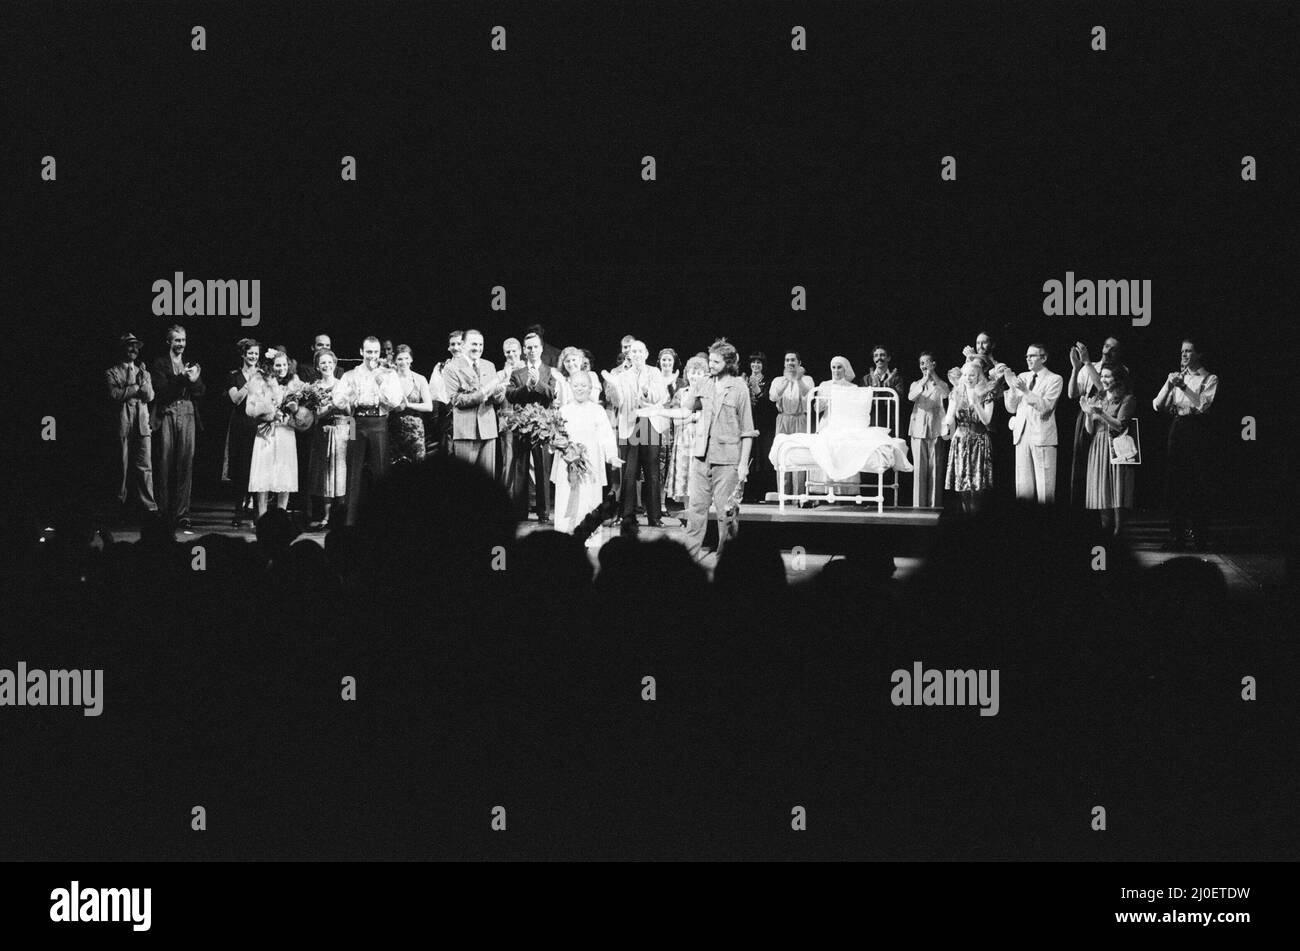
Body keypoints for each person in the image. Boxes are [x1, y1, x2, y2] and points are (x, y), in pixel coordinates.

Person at [680, 339, 756, 562]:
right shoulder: (705, 383)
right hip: (702, 456)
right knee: (695, 511)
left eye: (715, 361)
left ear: (728, 362)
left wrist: (743, 465)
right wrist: (695, 385)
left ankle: (728, 561)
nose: (710, 365)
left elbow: (747, 430)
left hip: (728, 459)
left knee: (726, 514)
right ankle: (689, 559)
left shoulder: (739, 387)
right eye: (709, 360)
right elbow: (686, 407)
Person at [1152, 338, 1219, 551]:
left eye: (1189, 351)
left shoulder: (1209, 378)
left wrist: (1184, 387)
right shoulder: (1177, 377)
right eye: (1182, 351)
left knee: (1198, 484)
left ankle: (1200, 537)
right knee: (1175, 484)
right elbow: (1156, 405)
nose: (1184, 355)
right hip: (1178, 427)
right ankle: (1177, 537)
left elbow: (1203, 406)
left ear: (1199, 354)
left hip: (1198, 430)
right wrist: (1169, 384)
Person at [336, 336, 406, 525]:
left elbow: (396, 401)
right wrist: (349, 398)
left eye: (375, 352)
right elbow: (338, 399)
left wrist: (381, 381)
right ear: (361, 352)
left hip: (379, 421)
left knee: (381, 469)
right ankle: (349, 521)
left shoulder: (388, 374)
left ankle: (383, 520)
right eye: (368, 352)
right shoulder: (351, 374)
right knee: (351, 468)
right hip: (353, 421)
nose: (372, 356)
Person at [603, 339, 669, 529]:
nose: (637, 354)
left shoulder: (654, 373)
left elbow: (661, 397)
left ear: (646, 354)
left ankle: (655, 517)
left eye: (641, 351)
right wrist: (615, 386)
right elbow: (617, 402)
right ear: (629, 355)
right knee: (629, 473)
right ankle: (626, 515)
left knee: (652, 473)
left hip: (649, 424)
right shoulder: (622, 375)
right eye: (634, 351)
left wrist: (647, 392)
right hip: (630, 425)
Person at [552, 371, 621, 540]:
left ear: (590, 388)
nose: (579, 389)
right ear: (570, 387)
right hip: (567, 464)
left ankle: (589, 535)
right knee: (565, 495)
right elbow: (554, 437)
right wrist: (558, 445)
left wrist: (612, 456)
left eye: (583, 385)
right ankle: (564, 533)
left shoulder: (597, 410)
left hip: (591, 464)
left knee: (589, 498)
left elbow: (607, 435)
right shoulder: (563, 410)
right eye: (576, 385)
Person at [149, 324, 205, 529]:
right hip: (168, 412)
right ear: (169, 342)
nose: (181, 344)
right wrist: (184, 379)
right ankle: (163, 511)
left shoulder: (191, 363)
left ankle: (182, 512)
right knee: (163, 463)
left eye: (183, 340)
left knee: (185, 465)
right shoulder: (160, 363)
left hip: (188, 412)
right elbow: (161, 391)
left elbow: (200, 392)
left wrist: (195, 380)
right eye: (177, 340)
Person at [643, 354, 709, 521]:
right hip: (685, 441)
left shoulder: (710, 394)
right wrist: (693, 416)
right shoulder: (682, 393)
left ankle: (705, 518)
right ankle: (690, 517)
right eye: (692, 372)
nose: (695, 376)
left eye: (699, 372)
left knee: (702, 480)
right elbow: (676, 419)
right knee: (686, 482)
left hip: (703, 440)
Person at [246, 348, 311, 519]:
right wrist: (270, 411)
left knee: (285, 474)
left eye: (283, 365)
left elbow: (304, 413)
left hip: (286, 432)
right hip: (267, 432)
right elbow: (251, 408)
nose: (281, 368)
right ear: (271, 366)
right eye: (277, 365)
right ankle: (261, 516)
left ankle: (281, 516)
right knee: (263, 474)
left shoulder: (295, 384)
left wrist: (295, 410)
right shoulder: (260, 381)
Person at [1001, 342, 1063, 505]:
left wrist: (1026, 391)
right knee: (1023, 486)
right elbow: (1011, 408)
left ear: (1043, 358)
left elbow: (1046, 407)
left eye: (1032, 355)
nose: (1028, 358)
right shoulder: (1023, 376)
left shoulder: (1054, 379)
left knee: (1045, 486)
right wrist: (1012, 387)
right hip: (1022, 435)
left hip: (1042, 435)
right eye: (1027, 356)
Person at [507, 332, 559, 522]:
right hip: (521, 427)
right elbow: (510, 396)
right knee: (520, 468)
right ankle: (520, 511)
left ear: (541, 348)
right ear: (524, 350)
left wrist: (537, 383)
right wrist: (526, 386)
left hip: (542, 427)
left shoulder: (549, 371)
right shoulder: (517, 373)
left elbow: (552, 394)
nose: (532, 351)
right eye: (528, 347)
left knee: (542, 469)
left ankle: (543, 512)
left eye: (535, 347)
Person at [443, 329, 508, 476]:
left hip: (488, 430)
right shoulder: (451, 368)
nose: (477, 348)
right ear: (463, 345)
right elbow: (456, 400)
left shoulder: (489, 365)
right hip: (465, 431)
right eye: (473, 344)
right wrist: (484, 392)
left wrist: (498, 393)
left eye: (480, 344)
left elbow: (495, 399)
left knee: (487, 480)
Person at [105, 332, 157, 516]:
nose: (134, 349)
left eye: (136, 346)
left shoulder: (144, 372)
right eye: (130, 345)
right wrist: (136, 388)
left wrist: (135, 388)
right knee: (121, 465)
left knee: (145, 465)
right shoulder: (112, 372)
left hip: (141, 421)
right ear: (122, 348)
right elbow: (114, 395)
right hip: (122, 422)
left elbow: (149, 395)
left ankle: (148, 506)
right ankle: (119, 504)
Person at [1082, 363, 1136, 535]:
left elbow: (1120, 426)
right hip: (1098, 445)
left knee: (1117, 488)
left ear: (1117, 379)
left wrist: (1102, 414)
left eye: (1107, 376)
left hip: (1116, 445)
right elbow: (1090, 430)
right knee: (1101, 487)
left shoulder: (1127, 399)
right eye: (1102, 376)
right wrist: (1088, 414)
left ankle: (1118, 530)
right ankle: (1105, 529)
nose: (1103, 379)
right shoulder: (1100, 396)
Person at [1068, 337, 1121, 507]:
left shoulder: (1120, 370)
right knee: (1081, 461)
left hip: (1105, 419)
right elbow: (1072, 394)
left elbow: (1103, 390)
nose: (1107, 350)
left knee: (1101, 465)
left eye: (1112, 348)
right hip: (1087, 416)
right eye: (1106, 345)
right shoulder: (1089, 367)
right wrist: (1076, 368)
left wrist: (1087, 363)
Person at [943, 360, 996, 514]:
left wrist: (975, 402)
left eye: (972, 375)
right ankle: (966, 515)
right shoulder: (956, 393)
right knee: (962, 484)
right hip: (960, 440)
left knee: (978, 486)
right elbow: (949, 418)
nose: (968, 378)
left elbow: (986, 420)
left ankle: (976, 517)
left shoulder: (987, 393)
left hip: (979, 440)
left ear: (979, 376)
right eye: (965, 374)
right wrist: (946, 421)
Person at [307, 348, 350, 530]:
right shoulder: (314, 387)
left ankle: (341, 514)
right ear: (317, 366)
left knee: (341, 472)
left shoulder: (343, 384)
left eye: (329, 362)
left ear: (334, 364)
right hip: (323, 432)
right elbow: (316, 415)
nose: (327, 365)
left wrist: (353, 437)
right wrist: (332, 403)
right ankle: (325, 515)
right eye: (323, 362)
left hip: (342, 431)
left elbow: (351, 413)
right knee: (325, 474)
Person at [222, 338, 262, 526]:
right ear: (243, 354)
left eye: (256, 353)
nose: (253, 356)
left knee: (256, 468)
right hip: (240, 425)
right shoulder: (234, 375)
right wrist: (250, 383)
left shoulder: (263, 374)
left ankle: (255, 511)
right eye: (250, 353)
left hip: (258, 425)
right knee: (240, 470)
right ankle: (238, 510)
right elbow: (236, 399)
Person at [810, 356, 862, 499]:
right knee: (826, 446)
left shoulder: (853, 388)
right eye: (833, 367)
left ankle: (844, 490)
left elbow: (855, 410)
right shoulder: (824, 385)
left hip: (845, 423)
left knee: (845, 448)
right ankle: (827, 490)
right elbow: (816, 409)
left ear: (845, 369)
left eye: (839, 367)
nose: (836, 370)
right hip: (828, 422)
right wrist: (825, 401)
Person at [769, 351, 815, 503]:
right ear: (784, 363)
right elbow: (773, 397)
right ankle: (783, 496)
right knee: (782, 456)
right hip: (783, 419)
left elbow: (809, 396)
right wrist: (787, 380)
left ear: (799, 362)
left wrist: (798, 379)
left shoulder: (807, 379)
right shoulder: (778, 380)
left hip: (800, 418)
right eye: (787, 360)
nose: (790, 363)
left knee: (799, 456)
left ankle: (798, 497)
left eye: (793, 360)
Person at [908, 351, 950, 508]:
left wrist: (934, 377)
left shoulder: (941, 384)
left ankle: (934, 506)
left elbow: (946, 394)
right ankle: (919, 507)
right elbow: (911, 397)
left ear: (934, 364)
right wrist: (924, 380)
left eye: (927, 362)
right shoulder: (916, 384)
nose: (924, 366)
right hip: (918, 429)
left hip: (937, 429)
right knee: (919, 470)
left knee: (936, 469)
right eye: (921, 363)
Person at [390, 345, 435, 465]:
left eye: (406, 358)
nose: (403, 362)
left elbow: (429, 406)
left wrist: (409, 405)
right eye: (400, 359)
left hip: (415, 430)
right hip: (393, 428)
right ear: (395, 361)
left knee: (417, 466)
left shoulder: (420, 379)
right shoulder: (390, 379)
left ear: (411, 360)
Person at [744, 352, 776, 503]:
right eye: (753, 362)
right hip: (746, 423)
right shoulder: (743, 380)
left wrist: (757, 390)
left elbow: (769, 406)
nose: (755, 365)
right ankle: (746, 493)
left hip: (763, 425)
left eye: (759, 363)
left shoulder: (769, 382)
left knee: (761, 459)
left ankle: (760, 493)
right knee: (746, 457)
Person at [863, 345, 905, 428]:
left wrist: (891, 387)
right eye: (876, 356)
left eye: (882, 355)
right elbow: (862, 402)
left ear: (888, 358)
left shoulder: (897, 378)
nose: (879, 358)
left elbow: (900, 400)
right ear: (873, 359)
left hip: (892, 422)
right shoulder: (866, 379)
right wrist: (873, 388)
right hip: (873, 422)